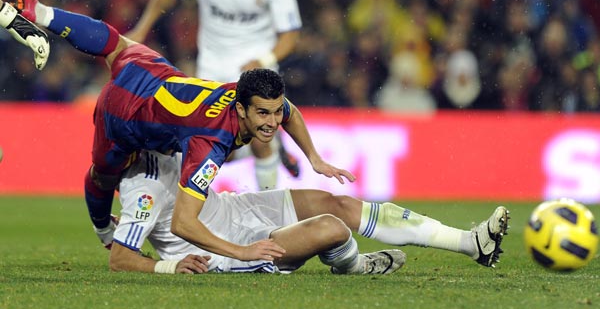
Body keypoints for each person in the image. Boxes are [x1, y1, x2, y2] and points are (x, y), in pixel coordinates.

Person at [0, 0, 354, 264]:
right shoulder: (214, 136)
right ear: (245, 110)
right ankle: (105, 231)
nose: (272, 120)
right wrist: (310, 159)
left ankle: (41, 12)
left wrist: (313, 157)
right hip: (127, 113)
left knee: (115, 44)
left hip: (155, 75)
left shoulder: (242, 95)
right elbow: (183, 222)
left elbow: (286, 113)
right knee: (103, 173)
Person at [110, 150, 509, 274]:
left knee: (336, 203)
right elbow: (120, 258)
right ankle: (354, 267)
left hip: (238, 206)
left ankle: (470, 243)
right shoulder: (141, 187)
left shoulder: (160, 143)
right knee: (332, 229)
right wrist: (168, 266)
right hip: (229, 248)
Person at [126, 0, 302, 191]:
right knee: (221, 149)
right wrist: (142, 29)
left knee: (261, 140)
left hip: (258, 71)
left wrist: (264, 58)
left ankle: (272, 212)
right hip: (212, 71)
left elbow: (290, 35)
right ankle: (275, 147)